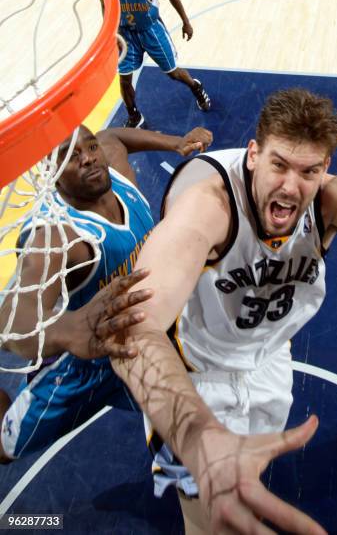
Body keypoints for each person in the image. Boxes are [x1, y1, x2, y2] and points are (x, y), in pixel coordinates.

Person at [95, 87, 337, 534]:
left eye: (308, 171)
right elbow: (134, 333)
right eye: (279, 164)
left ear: (325, 170)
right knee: (207, 522)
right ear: (254, 154)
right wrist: (197, 433)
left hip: (268, 362)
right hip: (193, 379)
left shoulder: (331, 198)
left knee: (246, 479)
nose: (290, 185)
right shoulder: (209, 205)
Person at [0, 124, 213, 461]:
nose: (88, 159)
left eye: (90, 148)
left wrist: (175, 142)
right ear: (50, 173)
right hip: (89, 361)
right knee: (4, 446)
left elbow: (114, 136)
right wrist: (70, 330)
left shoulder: (118, 173)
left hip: (146, 336)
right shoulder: (56, 236)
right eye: (71, 157)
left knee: (201, 412)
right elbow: (13, 321)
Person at [104, 0, 212, 128]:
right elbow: (106, 8)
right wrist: (109, 33)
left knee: (173, 73)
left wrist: (186, 22)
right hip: (126, 35)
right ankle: (134, 115)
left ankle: (195, 86)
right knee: (124, 78)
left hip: (151, 30)